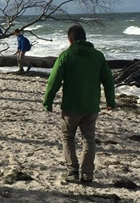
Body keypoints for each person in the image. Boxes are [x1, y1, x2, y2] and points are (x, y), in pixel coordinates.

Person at [43, 25, 116, 184]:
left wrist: (48, 101)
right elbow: (109, 81)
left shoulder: (66, 56)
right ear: (85, 38)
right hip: (91, 107)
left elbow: (53, 81)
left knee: (68, 137)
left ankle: (72, 171)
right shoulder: (98, 56)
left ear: (70, 39)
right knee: (88, 140)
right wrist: (110, 101)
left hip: (71, 107)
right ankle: (87, 175)